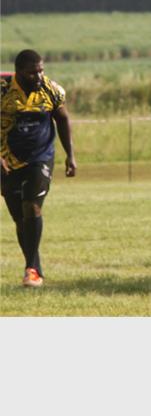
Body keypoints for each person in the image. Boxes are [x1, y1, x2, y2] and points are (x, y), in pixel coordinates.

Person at [1, 49, 76, 287]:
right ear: (19, 72)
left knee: (31, 207)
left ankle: (31, 269)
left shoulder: (51, 90)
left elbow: (62, 119)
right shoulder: (3, 89)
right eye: (33, 72)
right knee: (20, 219)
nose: (39, 76)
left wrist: (70, 155)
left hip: (40, 157)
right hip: (7, 160)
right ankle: (35, 268)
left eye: (41, 70)